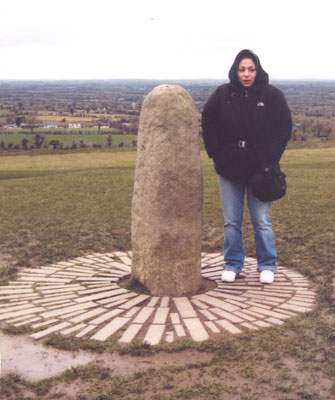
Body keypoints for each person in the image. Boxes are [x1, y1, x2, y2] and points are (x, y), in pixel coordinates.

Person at [201, 49, 292, 284]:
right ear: (236, 70)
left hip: (260, 169)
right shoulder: (223, 94)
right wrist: (217, 153)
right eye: (242, 69)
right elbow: (208, 121)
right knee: (232, 221)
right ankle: (232, 263)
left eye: (251, 69)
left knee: (261, 220)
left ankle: (267, 265)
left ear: (257, 70)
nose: (247, 74)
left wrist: (270, 158)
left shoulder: (272, 95)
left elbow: (284, 128)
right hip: (229, 167)